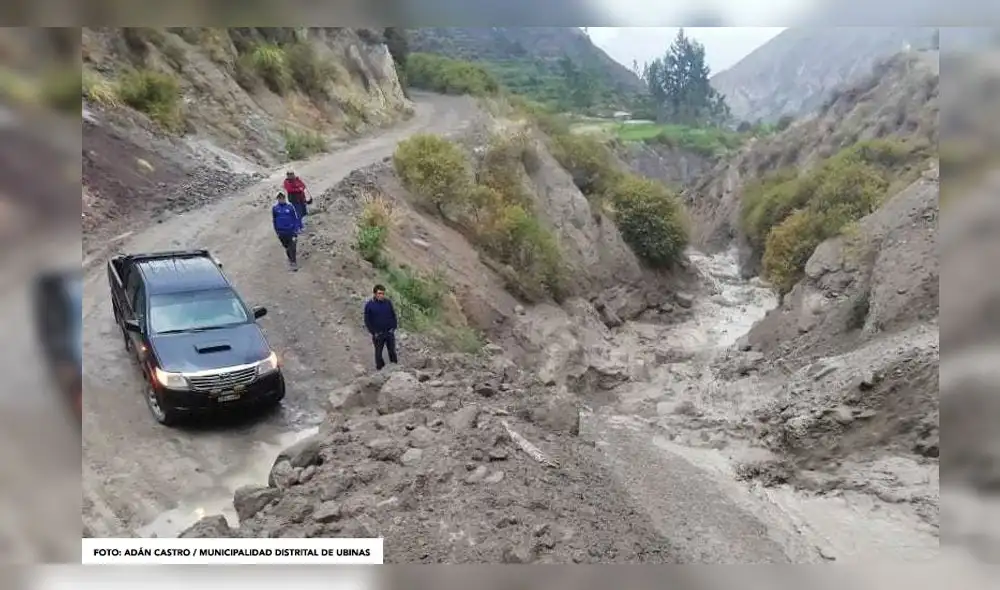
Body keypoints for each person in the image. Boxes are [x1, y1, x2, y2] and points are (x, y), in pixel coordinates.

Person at [363, 284, 398, 371]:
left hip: (389, 332)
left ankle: (395, 369)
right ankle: (380, 370)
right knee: (378, 354)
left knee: (392, 352)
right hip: (378, 334)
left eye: (383, 293)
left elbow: (393, 315)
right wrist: (374, 332)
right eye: (379, 293)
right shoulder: (369, 305)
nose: (381, 295)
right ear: (375, 294)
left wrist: (393, 327)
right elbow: (367, 321)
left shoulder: (388, 302)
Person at [272, 192, 302, 271]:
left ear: (285, 198)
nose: (281, 200)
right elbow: (274, 220)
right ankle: (290, 258)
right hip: (282, 232)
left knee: (293, 246)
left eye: (283, 198)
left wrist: (296, 229)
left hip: (291, 231)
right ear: (278, 199)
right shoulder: (275, 209)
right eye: (280, 199)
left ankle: (293, 262)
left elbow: (295, 218)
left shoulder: (290, 207)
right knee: (287, 247)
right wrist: (277, 231)